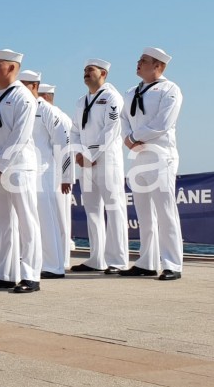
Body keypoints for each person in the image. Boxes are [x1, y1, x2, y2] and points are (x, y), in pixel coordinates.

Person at [0, 49, 42, 294]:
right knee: (3, 223)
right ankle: (5, 272)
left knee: (27, 221)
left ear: (12, 68)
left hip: (18, 166)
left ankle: (31, 275)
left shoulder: (24, 97)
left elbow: (20, 135)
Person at [120, 47, 184, 280]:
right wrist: (127, 138)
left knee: (165, 211)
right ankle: (146, 261)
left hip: (160, 156)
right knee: (144, 212)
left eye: (144, 61)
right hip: (137, 156)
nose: (138, 63)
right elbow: (123, 119)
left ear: (158, 66)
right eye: (139, 59)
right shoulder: (130, 92)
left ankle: (172, 264)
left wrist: (135, 137)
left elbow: (163, 122)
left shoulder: (170, 89)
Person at [69, 58, 128, 274]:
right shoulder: (80, 102)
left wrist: (92, 154)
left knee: (114, 208)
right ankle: (96, 258)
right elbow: (74, 130)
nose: (86, 73)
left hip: (106, 158)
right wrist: (78, 152)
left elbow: (112, 128)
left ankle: (119, 260)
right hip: (85, 160)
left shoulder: (112, 97)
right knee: (92, 210)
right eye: (84, 70)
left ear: (103, 73)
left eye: (90, 70)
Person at [20, 71, 74, 278]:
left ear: (34, 86)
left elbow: (64, 145)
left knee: (48, 220)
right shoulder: (21, 109)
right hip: (25, 172)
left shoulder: (47, 111)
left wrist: (66, 176)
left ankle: (53, 266)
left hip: (45, 173)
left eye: (24, 85)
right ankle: (37, 262)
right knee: (30, 221)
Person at [38, 84, 75, 267]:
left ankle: (62, 260)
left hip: (56, 174)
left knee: (60, 219)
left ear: (44, 96)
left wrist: (66, 176)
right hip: (47, 173)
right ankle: (55, 258)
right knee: (51, 219)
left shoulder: (57, 115)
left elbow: (65, 148)